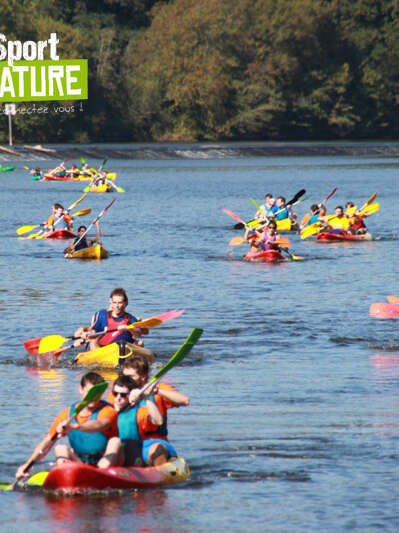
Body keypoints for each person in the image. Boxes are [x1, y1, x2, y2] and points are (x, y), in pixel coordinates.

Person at [15, 372, 122, 479]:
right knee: (60, 448)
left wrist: (74, 427)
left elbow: (100, 424)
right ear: (81, 389)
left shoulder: (108, 410)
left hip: (106, 462)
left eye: (97, 393)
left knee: (115, 442)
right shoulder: (67, 413)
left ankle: (100, 476)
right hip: (81, 462)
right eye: (90, 393)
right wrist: (27, 465)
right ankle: (65, 478)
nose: (93, 397)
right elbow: (47, 442)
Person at [117, 356, 187, 466]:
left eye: (130, 377)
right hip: (127, 442)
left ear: (143, 376)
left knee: (157, 450)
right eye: (124, 376)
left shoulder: (158, 390)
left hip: (153, 441)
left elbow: (184, 400)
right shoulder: (119, 394)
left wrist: (157, 391)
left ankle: (159, 472)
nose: (126, 380)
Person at [112, 375, 165, 466]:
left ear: (131, 395)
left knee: (130, 444)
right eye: (115, 393)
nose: (118, 398)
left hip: (133, 455)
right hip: (114, 452)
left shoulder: (139, 412)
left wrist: (146, 397)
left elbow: (158, 421)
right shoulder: (107, 410)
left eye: (123, 395)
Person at [74, 287, 148, 350]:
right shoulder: (102, 315)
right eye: (115, 303)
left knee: (139, 343)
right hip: (103, 350)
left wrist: (129, 328)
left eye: (120, 303)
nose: (117, 306)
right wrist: (85, 335)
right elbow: (93, 330)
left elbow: (138, 333)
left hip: (123, 348)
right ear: (111, 302)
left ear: (126, 303)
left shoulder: (131, 318)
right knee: (93, 341)